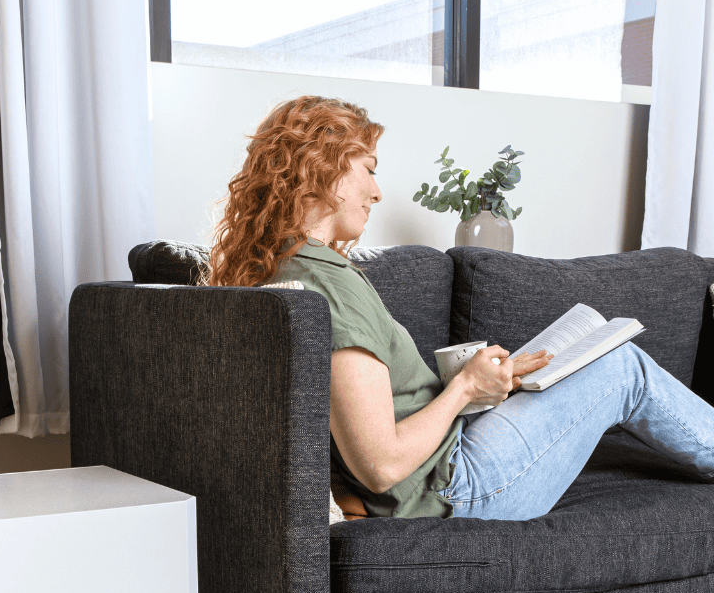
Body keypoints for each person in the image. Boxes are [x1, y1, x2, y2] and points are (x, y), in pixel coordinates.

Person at [205, 95, 714, 520]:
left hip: (436, 469)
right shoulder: (330, 287)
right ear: (325, 167)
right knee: (622, 367)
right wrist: (466, 388)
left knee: (579, 362)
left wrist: (482, 383)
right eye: (369, 170)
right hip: (453, 487)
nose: (378, 193)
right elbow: (379, 464)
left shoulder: (282, 269)